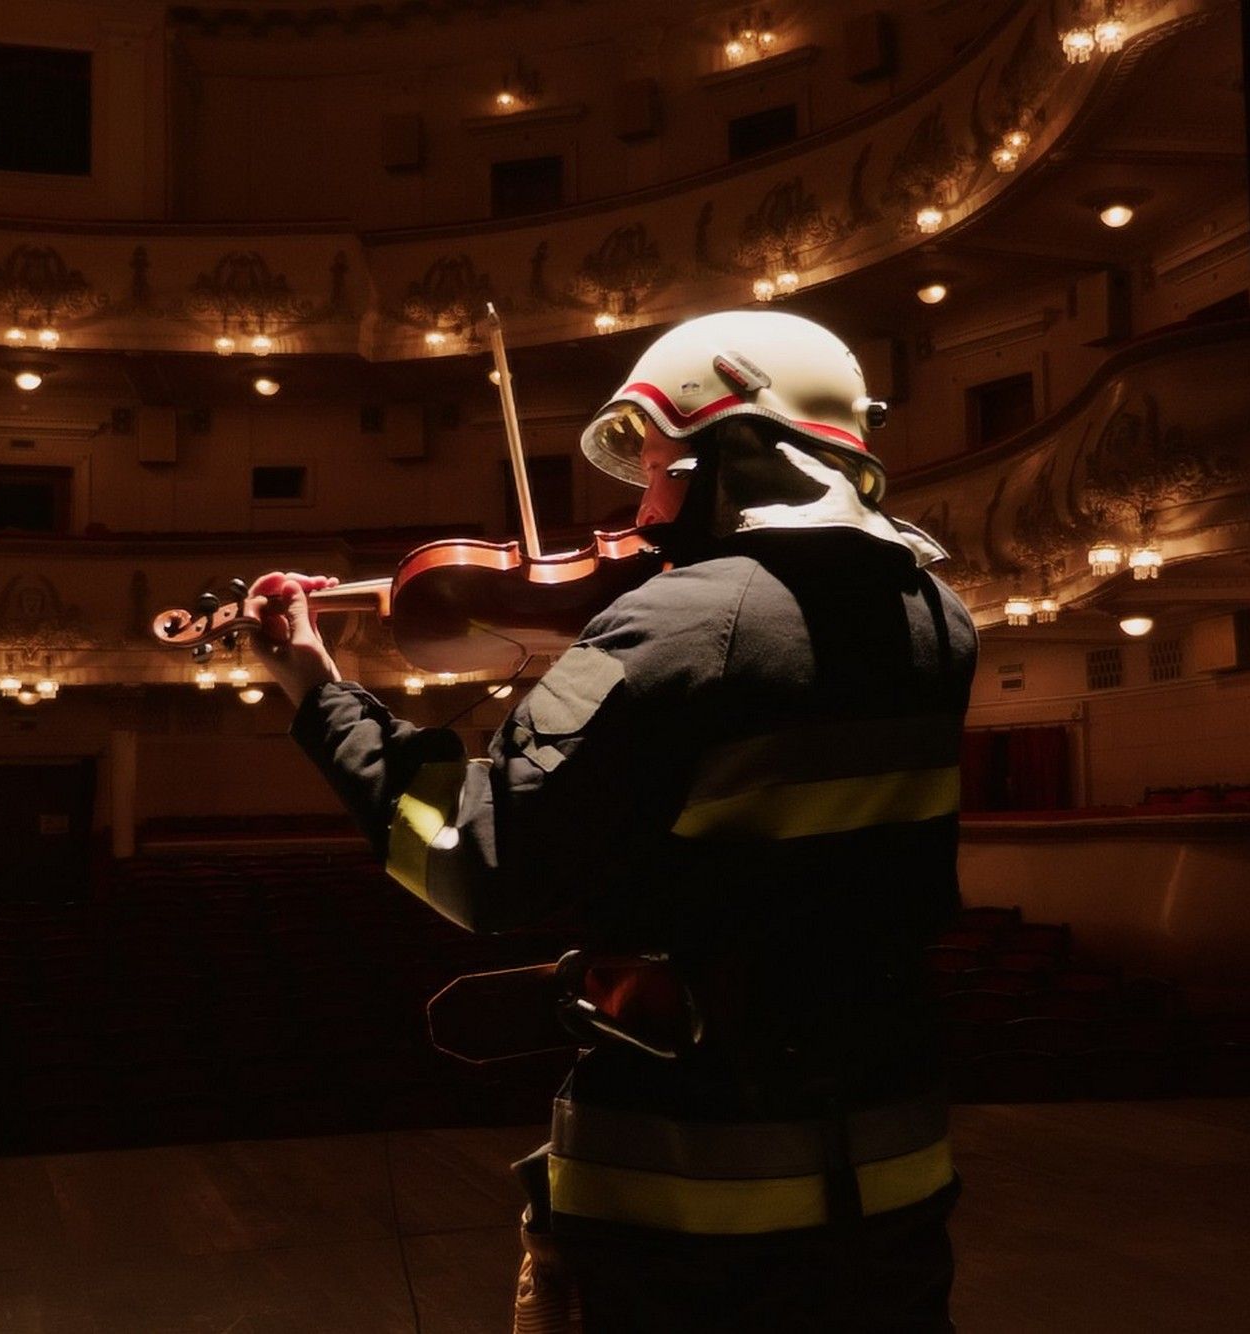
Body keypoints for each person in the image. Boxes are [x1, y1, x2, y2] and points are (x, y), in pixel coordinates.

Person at [244, 310, 977, 1331]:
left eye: (654, 460)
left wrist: (319, 694)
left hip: (679, 1220)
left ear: (724, 445)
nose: (640, 500)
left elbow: (476, 863)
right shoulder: (936, 617)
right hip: (890, 1185)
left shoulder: (675, 619)